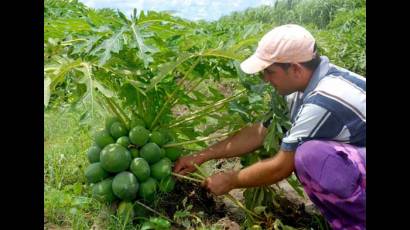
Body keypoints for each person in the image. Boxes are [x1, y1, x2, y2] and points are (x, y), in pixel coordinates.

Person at [173, 24, 366, 230]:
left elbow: (281, 167)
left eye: (270, 72)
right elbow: (261, 132)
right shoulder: (299, 88)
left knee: (310, 156)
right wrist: (202, 156)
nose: (266, 79)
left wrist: (230, 180)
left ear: (295, 68)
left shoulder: (324, 100)